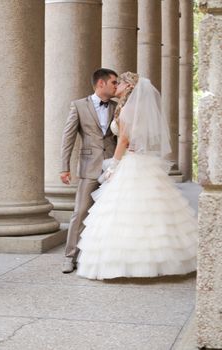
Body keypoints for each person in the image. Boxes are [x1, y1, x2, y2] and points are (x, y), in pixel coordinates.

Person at [77, 72, 198, 280]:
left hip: (130, 161)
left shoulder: (126, 110)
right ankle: (161, 261)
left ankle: (125, 264)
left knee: (123, 212)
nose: (117, 86)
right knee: (152, 213)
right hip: (143, 160)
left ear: (129, 87)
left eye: (121, 82)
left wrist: (113, 165)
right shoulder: (137, 109)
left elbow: (123, 140)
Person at [60, 68, 118, 273]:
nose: (116, 86)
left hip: (112, 167)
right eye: (113, 82)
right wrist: (64, 167)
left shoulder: (116, 107)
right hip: (89, 167)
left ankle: (101, 257)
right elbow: (68, 138)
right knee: (81, 211)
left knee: (110, 213)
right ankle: (69, 257)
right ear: (100, 83)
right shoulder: (78, 106)